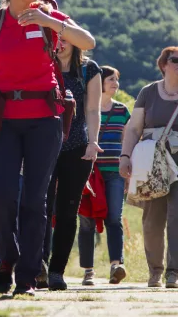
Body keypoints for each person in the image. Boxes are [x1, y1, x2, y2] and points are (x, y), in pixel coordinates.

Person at [0, 0, 96, 296]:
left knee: (35, 201)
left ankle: (26, 277)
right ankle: (7, 258)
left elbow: (88, 42)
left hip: (44, 120)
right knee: (4, 196)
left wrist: (52, 23)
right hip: (3, 120)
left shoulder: (49, 15)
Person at [119, 47, 178, 289]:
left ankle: (174, 273)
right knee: (152, 219)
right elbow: (133, 129)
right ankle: (155, 272)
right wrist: (125, 156)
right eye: (176, 60)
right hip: (152, 164)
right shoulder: (148, 93)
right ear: (163, 64)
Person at [39, 38, 102, 291]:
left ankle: (56, 271)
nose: (61, 43)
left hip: (77, 147)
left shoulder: (89, 69)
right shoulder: (41, 66)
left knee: (67, 211)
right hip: (42, 148)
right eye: (56, 38)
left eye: (65, 39)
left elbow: (93, 110)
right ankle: (38, 267)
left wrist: (93, 142)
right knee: (40, 208)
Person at [77, 65, 131, 286]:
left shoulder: (123, 111)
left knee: (114, 219)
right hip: (88, 174)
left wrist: (128, 174)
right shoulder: (86, 108)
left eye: (117, 80)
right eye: (110, 79)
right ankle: (88, 271)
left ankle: (116, 266)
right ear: (99, 83)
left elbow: (127, 143)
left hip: (115, 172)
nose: (115, 83)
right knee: (87, 221)